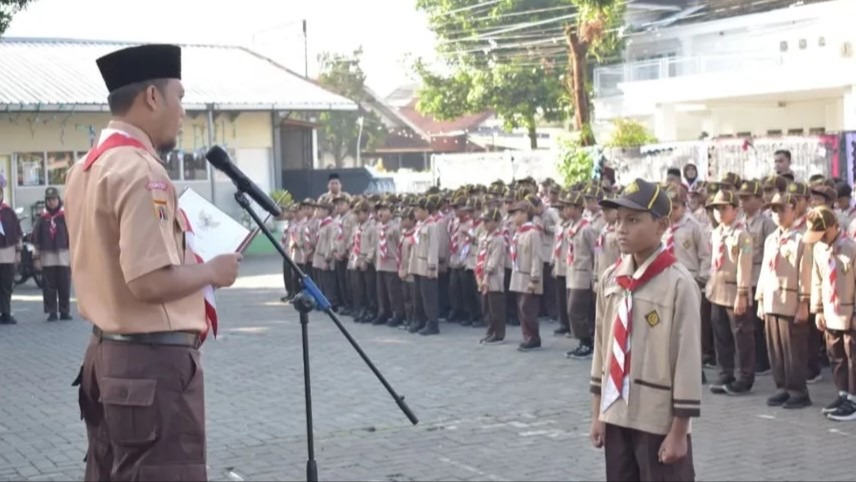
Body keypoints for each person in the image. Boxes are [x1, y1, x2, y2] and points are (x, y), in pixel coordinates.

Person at [64, 44, 241, 481]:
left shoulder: (86, 168)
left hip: (107, 356)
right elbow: (148, 280)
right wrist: (213, 271)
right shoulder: (142, 171)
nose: (183, 110)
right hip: (150, 368)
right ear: (151, 97)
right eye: (179, 96)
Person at [589, 178, 701, 482]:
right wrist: (598, 413)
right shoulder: (611, 280)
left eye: (633, 220)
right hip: (616, 411)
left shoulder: (678, 284)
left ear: (661, 225)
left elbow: (687, 362)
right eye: (618, 220)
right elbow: (602, 347)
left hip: (657, 418)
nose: (620, 229)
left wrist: (679, 431)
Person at [756, 192, 812, 409]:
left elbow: (805, 271)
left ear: (794, 210)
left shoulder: (801, 239)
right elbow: (764, 270)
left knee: (793, 348)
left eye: (782, 209)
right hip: (771, 299)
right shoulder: (771, 239)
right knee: (775, 347)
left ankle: (798, 391)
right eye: (774, 210)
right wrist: (760, 298)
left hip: (790, 300)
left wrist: (804, 302)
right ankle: (782, 387)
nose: (777, 214)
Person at [804, 207, 856, 421]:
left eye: (824, 233)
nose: (821, 239)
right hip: (830, 310)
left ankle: (854, 398)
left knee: (852, 355)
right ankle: (842, 393)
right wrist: (817, 310)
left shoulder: (851, 249)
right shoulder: (818, 249)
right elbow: (817, 280)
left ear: (835, 226)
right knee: (836, 355)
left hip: (848, 311)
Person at [705, 189, 756, 396]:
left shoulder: (742, 235)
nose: (719, 212)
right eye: (716, 208)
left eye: (724, 207)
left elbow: (745, 265)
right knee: (721, 334)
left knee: (742, 335)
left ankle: (745, 377)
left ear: (735, 210)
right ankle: (725, 371)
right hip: (717, 290)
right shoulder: (717, 232)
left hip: (734, 291)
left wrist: (742, 293)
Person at [32, 187, 72, 321]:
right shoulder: (42, 219)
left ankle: (65, 311)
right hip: (47, 257)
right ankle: (52, 311)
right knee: (49, 286)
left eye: (54, 199)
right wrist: (36, 257)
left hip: (64, 256)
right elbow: (36, 240)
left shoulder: (65, 216)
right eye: (48, 200)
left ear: (58, 200)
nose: (51, 202)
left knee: (64, 285)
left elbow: (72, 236)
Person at [508, 200, 544, 351]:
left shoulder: (533, 233)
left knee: (527, 307)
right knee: (521, 308)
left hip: (529, 277)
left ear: (524, 214)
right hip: (518, 276)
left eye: (516, 213)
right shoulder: (518, 233)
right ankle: (527, 336)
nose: (514, 217)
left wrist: (534, 278)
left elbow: (537, 256)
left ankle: (534, 337)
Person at [476, 207, 507, 345]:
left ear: (496, 222)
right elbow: (479, 256)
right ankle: (490, 331)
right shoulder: (483, 237)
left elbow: (494, 259)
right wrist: (478, 276)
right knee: (486, 307)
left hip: (493, 277)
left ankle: (498, 334)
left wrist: (486, 276)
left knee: (496, 307)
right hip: (483, 275)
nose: (485, 223)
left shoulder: (499, 239)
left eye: (488, 221)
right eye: (484, 221)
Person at [0, 174, 22, 325]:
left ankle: (6, 313)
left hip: (7, 255)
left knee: (6, 285)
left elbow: (17, 232)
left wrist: (18, 252)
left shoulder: (9, 212)